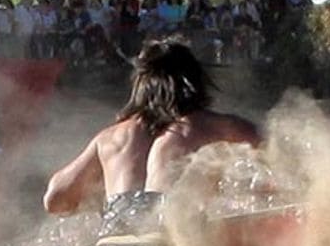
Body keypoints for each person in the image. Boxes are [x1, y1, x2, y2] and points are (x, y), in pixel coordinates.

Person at [44, 40, 261, 218]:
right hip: (174, 237)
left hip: (117, 240)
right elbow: (284, 165)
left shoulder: (112, 138)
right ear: (195, 81)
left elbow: (55, 200)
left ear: (139, 85)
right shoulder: (214, 127)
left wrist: (97, 194)